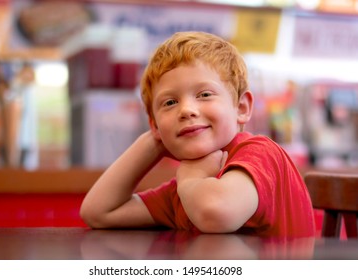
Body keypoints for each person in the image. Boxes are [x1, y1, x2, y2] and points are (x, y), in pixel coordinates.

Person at [80, 31, 315, 237]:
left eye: (204, 95)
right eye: (170, 102)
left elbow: (216, 212)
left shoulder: (259, 154)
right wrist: (151, 142)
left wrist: (192, 180)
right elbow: (99, 213)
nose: (186, 110)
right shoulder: (183, 192)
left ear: (241, 108)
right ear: (154, 124)